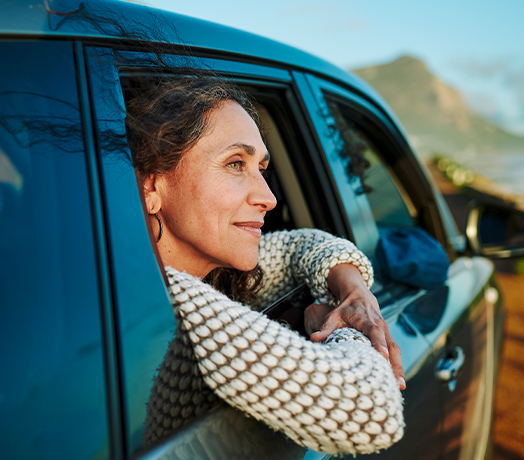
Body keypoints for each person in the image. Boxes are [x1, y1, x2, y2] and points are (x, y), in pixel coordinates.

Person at [126, 76, 405, 454]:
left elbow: (300, 247)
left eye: (262, 168)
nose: (269, 197)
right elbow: (374, 414)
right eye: (236, 163)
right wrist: (339, 329)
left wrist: (354, 292)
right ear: (151, 186)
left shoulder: (177, 277)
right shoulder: (187, 309)